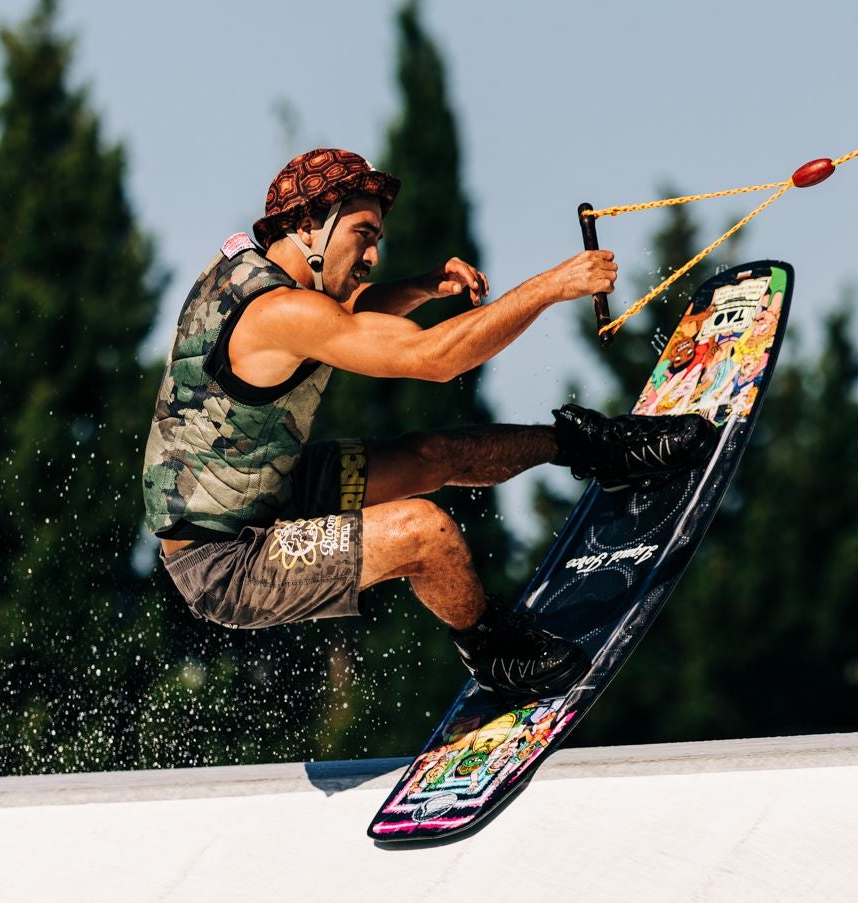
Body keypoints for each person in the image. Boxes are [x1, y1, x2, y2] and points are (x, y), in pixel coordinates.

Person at [141, 148, 720, 697]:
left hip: (277, 490)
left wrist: (420, 287)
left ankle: (591, 448)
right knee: (424, 532)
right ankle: (491, 653)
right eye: (362, 236)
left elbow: (346, 308)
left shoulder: (257, 271)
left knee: (430, 457)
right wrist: (552, 286)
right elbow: (433, 360)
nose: (372, 256)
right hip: (224, 562)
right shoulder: (282, 313)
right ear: (310, 225)